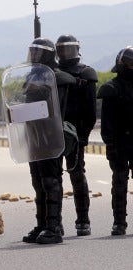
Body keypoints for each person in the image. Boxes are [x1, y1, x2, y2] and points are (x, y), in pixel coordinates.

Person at [22, 38, 75, 244]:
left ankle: (54, 227)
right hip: (34, 135)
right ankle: (42, 224)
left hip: (50, 136)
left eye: (38, 53)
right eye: (32, 52)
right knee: (37, 181)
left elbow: (55, 109)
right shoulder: (31, 77)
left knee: (50, 181)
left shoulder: (56, 78)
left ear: (47, 54)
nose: (33, 56)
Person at [55, 34, 98, 236]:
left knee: (77, 175)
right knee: (53, 179)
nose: (65, 53)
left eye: (69, 49)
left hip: (75, 133)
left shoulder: (85, 73)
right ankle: (54, 222)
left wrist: (83, 136)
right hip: (53, 133)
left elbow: (90, 111)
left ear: (77, 50)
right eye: (61, 49)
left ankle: (83, 220)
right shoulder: (50, 73)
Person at [97, 46, 133, 235]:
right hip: (119, 142)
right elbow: (107, 122)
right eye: (129, 62)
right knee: (119, 183)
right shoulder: (111, 88)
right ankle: (119, 222)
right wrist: (110, 144)